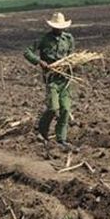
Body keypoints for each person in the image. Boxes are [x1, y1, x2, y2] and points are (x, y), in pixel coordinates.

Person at [24, 11, 75, 149]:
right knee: (53, 108)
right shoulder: (44, 39)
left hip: (65, 79)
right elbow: (27, 52)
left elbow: (72, 56)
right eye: (56, 27)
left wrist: (72, 65)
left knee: (65, 109)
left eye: (61, 27)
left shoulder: (68, 39)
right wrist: (39, 61)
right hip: (51, 78)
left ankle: (61, 139)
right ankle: (42, 131)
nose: (59, 29)